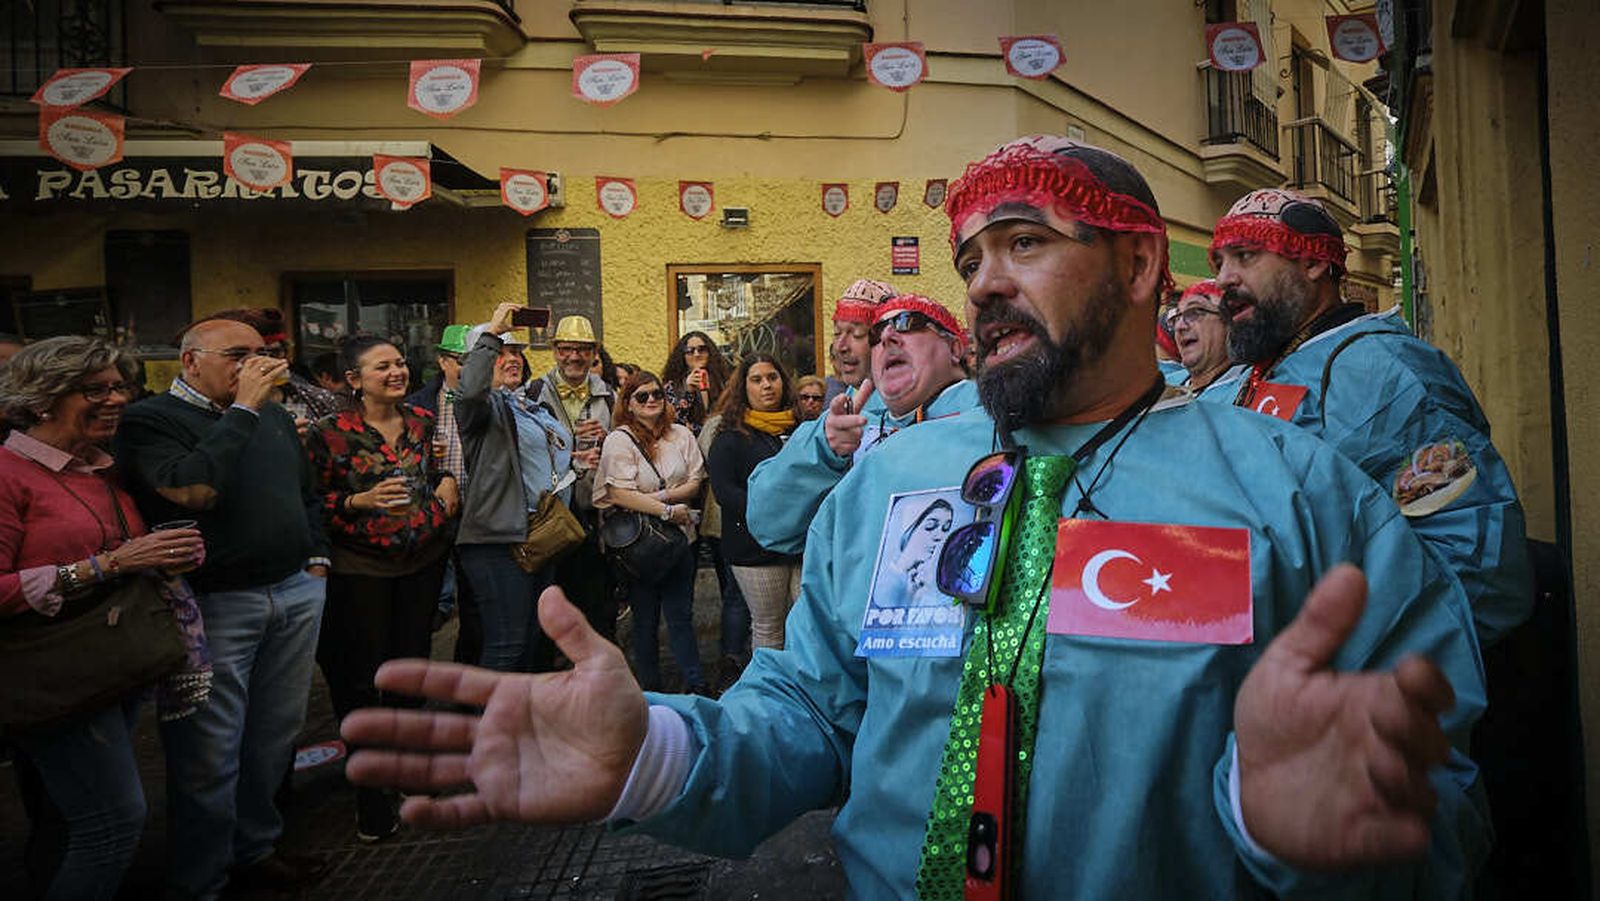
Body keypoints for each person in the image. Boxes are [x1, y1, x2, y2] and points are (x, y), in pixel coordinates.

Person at [343, 136, 1487, 899]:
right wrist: (655, 751)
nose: (987, 282)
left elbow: (1438, 795)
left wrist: (1275, 824)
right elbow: (813, 709)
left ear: (1140, 265)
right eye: (972, 258)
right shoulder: (895, 482)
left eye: (1027, 244)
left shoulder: (1293, 493)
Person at [1203, 187, 1531, 646]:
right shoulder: (1242, 377)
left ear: (1313, 263)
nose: (1223, 279)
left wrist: (1340, 678)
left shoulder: (1387, 376)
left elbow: (1477, 574)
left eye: (1245, 255)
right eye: (1218, 261)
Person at [112, 318, 331, 897]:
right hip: (214, 605)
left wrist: (316, 559)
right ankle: (202, 881)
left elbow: (305, 493)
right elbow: (193, 489)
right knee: (209, 755)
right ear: (190, 361)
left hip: (292, 590)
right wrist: (244, 410)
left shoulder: (274, 417)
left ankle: (255, 849)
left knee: (273, 739)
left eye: (264, 354)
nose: (256, 365)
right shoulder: (150, 420)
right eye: (238, 354)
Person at [0, 336, 206, 900]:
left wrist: (162, 555)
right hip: (53, 672)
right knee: (113, 823)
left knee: (73, 820)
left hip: (110, 660)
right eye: (94, 389)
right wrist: (104, 565)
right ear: (42, 398)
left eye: (120, 386)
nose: (116, 399)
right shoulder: (8, 473)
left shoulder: (98, 469)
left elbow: (121, 549)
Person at [305, 334, 460, 842]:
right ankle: (371, 792)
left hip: (421, 563)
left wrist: (441, 498)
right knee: (359, 682)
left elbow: (438, 484)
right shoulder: (329, 435)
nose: (396, 372)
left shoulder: (421, 423)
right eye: (381, 367)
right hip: (360, 573)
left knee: (409, 673)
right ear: (354, 379)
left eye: (399, 363)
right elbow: (311, 504)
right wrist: (358, 502)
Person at [745, 293, 978, 555]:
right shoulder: (843, 425)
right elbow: (770, 524)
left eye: (908, 322)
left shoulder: (994, 418)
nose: (887, 337)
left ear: (955, 349)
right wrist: (824, 450)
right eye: (876, 334)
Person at [454, 305, 573, 674]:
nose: (512, 359)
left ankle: (522, 724)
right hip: (498, 542)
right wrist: (492, 331)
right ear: (480, 358)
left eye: (516, 352)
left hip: (539, 536)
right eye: (501, 352)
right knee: (507, 644)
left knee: (532, 642)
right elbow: (470, 392)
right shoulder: (482, 409)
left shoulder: (526, 405)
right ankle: (490, 729)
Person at [594, 371, 709, 695]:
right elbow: (617, 494)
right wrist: (668, 509)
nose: (651, 401)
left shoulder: (681, 435)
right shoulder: (619, 439)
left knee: (681, 617)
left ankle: (696, 685)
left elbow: (695, 482)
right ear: (628, 404)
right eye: (641, 396)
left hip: (680, 541)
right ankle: (649, 693)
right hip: (640, 546)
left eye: (656, 394)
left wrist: (654, 499)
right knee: (644, 621)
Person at [529, 315, 617, 642]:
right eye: (567, 349)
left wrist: (608, 438)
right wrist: (565, 454)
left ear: (594, 352)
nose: (574, 357)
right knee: (549, 597)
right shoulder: (533, 392)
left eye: (582, 350)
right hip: (551, 512)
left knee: (596, 600)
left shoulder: (610, 395)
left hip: (594, 511)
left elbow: (627, 448)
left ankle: (598, 673)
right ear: (555, 351)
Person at [708, 353, 802, 650]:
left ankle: (801, 691)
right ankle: (770, 694)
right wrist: (774, 510)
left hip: (800, 545)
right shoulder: (729, 436)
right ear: (743, 388)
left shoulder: (801, 428)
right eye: (757, 380)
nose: (766, 386)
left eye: (772, 378)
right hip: (755, 549)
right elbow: (725, 493)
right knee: (769, 628)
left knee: (802, 625)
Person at [404, 325, 476, 650]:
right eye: (461, 360)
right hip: (432, 515)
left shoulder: (487, 401)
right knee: (423, 605)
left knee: (475, 606)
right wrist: (431, 465)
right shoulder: (417, 404)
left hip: (475, 514)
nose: (467, 367)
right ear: (443, 362)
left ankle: (467, 681)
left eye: (474, 360)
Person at [204, 307, 344, 428]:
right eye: (240, 354)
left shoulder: (316, 398)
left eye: (272, 353)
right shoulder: (209, 406)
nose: (264, 362)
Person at [821, 277, 896, 407]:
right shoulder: (850, 395)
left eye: (857, 334)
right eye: (837, 333)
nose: (840, 347)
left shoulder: (905, 412)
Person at [1166, 280, 1240, 391]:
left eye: (1194, 313)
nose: (1179, 327)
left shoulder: (1249, 395)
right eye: (1176, 317)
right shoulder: (1162, 384)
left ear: (1231, 322)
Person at [661, 331, 730, 434]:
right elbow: (673, 422)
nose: (697, 354)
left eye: (702, 349)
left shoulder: (724, 381)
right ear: (683, 356)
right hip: (689, 444)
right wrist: (688, 391)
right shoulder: (672, 386)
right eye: (690, 351)